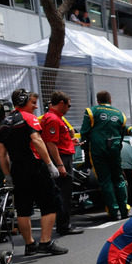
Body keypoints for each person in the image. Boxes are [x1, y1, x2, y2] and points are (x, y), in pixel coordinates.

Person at [0, 88, 68, 257]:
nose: (35, 107)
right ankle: (45, 242)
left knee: (23, 208)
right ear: (23, 102)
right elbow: (37, 140)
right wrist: (50, 164)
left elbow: (2, 153)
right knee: (51, 203)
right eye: (32, 103)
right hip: (35, 166)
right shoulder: (29, 119)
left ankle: (30, 245)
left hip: (17, 169)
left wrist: (7, 175)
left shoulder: (4, 123)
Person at [80, 90, 129, 221]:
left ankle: (114, 211)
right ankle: (124, 209)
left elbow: (84, 133)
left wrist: (85, 149)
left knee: (105, 180)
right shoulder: (120, 114)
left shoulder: (91, 111)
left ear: (98, 100)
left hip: (97, 150)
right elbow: (122, 133)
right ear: (110, 99)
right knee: (118, 178)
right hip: (114, 149)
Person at [40, 91, 83, 236]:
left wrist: (71, 142)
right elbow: (51, 144)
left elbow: (57, 141)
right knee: (63, 194)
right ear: (61, 103)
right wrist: (59, 164)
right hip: (61, 159)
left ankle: (64, 224)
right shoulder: (53, 118)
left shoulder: (55, 118)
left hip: (63, 156)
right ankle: (64, 226)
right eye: (68, 106)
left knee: (63, 193)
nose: (68, 109)